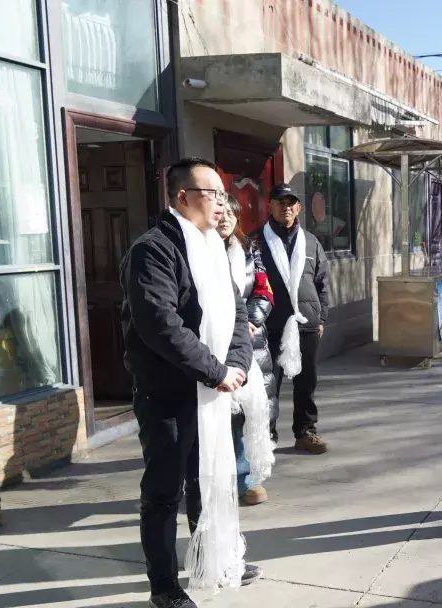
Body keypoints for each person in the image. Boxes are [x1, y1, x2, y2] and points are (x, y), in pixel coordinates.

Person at [121, 157, 262, 608]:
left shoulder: (211, 246)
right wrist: (215, 372)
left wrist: (236, 365)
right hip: (169, 393)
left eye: (223, 194)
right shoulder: (154, 250)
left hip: (211, 392)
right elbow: (160, 324)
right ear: (182, 197)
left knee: (211, 480)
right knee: (164, 493)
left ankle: (214, 560)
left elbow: (236, 314)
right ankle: (163, 587)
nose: (221, 202)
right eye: (212, 193)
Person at [251, 183, 330, 454]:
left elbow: (322, 282)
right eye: (280, 202)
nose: (286, 207)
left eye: (290, 203)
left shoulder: (311, 242)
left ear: (298, 208)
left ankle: (306, 432)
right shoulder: (255, 241)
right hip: (269, 325)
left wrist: (321, 317)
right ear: (270, 206)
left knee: (306, 383)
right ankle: (266, 437)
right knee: (268, 385)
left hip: (305, 323)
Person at [216, 199, 277, 506]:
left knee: (242, 413)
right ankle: (210, 481)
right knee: (216, 415)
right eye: (220, 212)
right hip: (211, 344)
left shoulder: (248, 251)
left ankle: (244, 479)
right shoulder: (196, 250)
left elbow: (264, 291)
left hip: (249, 344)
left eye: (231, 213)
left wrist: (251, 320)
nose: (225, 218)